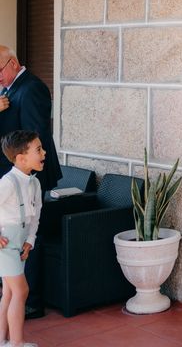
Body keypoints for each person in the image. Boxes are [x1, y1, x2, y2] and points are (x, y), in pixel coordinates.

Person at [0, 46, 62, 319]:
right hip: (13, 181)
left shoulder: (31, 88)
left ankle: (32, 302)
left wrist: (27, 179)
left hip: (29, 179)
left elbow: (34, 139)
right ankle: (13, 293)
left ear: (12, 63)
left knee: (28, 238)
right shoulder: (8, 91)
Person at [0, 130, 44, 347]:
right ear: (21, 158)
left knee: (8, 292)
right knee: (21, 290)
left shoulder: (35, 184)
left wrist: (31, 240)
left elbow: (35, 216)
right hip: (5, 243)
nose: (44, 153)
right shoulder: (7, 183)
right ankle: (16, 343)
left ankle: (2, 340)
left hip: (21, 241)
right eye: (38, 149)